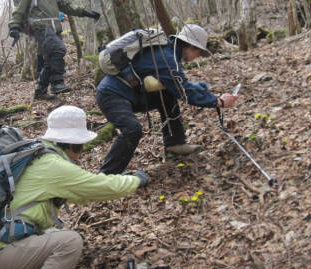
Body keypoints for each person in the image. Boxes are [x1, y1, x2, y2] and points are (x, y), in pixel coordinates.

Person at [0, 105, 148, 269]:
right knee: (69, 242)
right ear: (72, 142)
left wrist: (118, 179)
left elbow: (81, 189)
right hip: (0, 256)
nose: (83, 148)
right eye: (81, 144)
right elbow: (96, 187)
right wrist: (135, 181)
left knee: (52, 234)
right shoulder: (52, 165)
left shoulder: (39, 156)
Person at [95, 24, 239, 175]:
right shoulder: (166, 57)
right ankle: (107, 176)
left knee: (168, 94)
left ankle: (174, 145)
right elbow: (184, 91)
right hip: (112, 95)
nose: (199, 56)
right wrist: (218, 102)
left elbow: (176, 86)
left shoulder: (167, 53)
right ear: (189, 46)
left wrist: (201, 90)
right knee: (133, 129)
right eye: (199, 51)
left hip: (132, 94)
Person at [9, 0, 100, 100]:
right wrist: (14, 26)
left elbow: (65, 6)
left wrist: (85, 12)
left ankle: (40, 91)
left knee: (49, 59)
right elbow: (19, 9)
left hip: (55, 28)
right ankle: (57, 83)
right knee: (59, 49)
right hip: (40, 27)